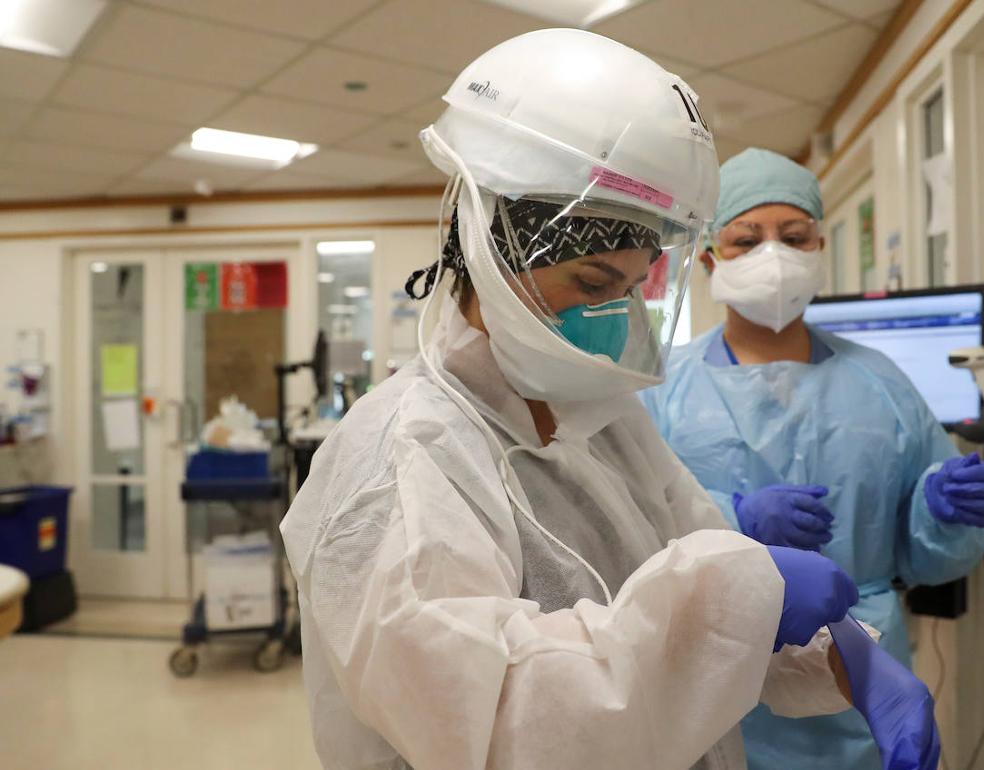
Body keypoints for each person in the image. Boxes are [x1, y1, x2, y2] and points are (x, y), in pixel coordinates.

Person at [282, 31, 936, 770]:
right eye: (593, 285)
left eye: (628, 291)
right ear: (488, 250)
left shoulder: (600, 418)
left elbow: (694, 579)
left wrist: (837, 654)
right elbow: (491, 721)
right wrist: (738, 598)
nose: (611, 316)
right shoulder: (401, 453)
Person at [640, 147, 984, 770]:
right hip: (710, 667)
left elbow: (928, 557)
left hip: (862, 674)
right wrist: (733, 519)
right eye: (746, 240)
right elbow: (627, 525)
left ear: (819, 249)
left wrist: (942, 510)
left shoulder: (881, 383)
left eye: (794, 236)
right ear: (707, 259)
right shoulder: (662, 390)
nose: (773, 256)